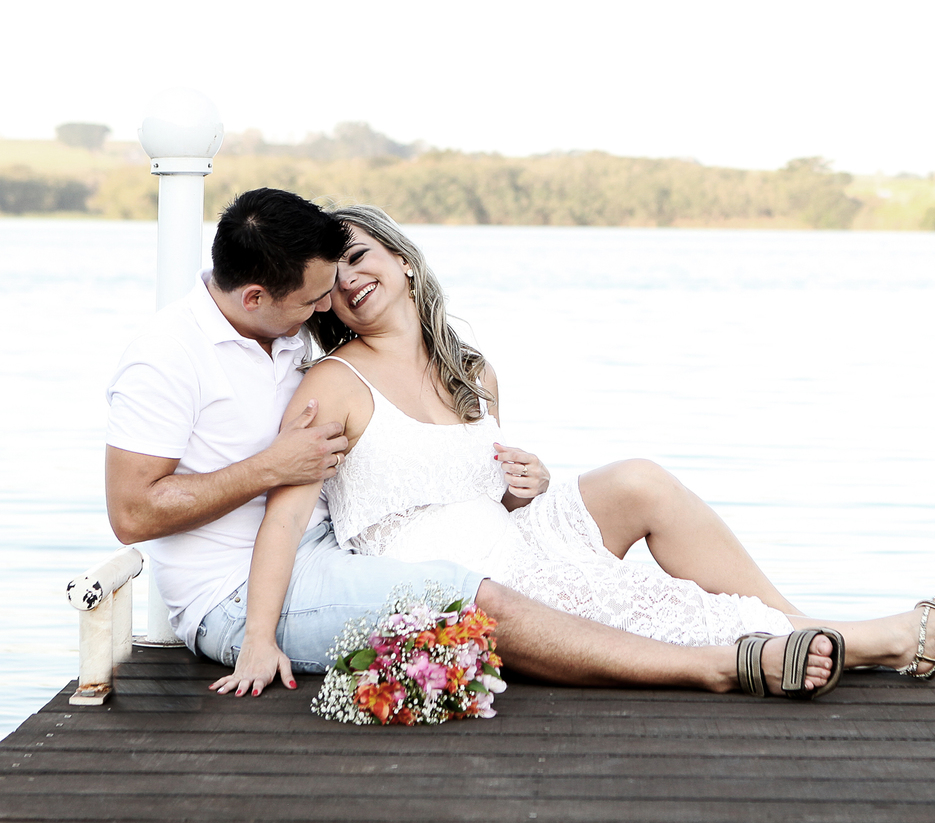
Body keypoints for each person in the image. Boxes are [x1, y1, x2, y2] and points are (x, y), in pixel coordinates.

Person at [211, 197, 935, 697]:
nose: (350, 280)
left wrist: (525, 483)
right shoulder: (334, 386)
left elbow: (482, 482)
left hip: (510, 531)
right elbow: (283, 521)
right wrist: (257, 642)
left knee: (640, 480)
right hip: (457, 578)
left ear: (403, 261)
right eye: (335, 274)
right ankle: (893, 638)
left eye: (361, 257)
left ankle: (799, 624)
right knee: (653, 604)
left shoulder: (472, 371)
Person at [104, 187, 852, 704]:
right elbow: (135, 514)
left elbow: (405, 454)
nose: (323, 311)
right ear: (258, 298)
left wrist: (515, 483)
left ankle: (815, 629)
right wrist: (257, 628)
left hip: (331, 559)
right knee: (477, 595)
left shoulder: (289, 342)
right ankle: (718, 669)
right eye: (313, 299)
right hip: (235, 598)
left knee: (615, 505)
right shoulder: (169, 358)